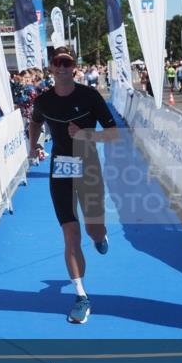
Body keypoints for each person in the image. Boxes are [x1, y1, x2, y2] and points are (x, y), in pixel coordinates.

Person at [27, 47, 119, 325]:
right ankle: (81, 295)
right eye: (58, 63)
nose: (62, 67)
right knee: (70, 233)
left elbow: (115, 134)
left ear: (75, 67)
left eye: (67, 63)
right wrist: (33, 146)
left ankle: (100, 238)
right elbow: (34, 122)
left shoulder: (89, 96)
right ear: (51, 68)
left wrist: (85, 134)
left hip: (89, 167)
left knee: (93, 230)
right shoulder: (43, 100)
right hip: (62, 168)